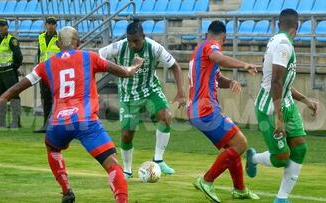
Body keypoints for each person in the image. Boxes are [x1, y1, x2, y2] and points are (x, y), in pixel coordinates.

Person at [0, 26, 145, 203]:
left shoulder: (46, 65)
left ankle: (67, 192)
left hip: (59, 123)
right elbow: (125, 73)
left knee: (52, 148)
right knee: (112, 163)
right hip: (85, 120)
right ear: (78, 43)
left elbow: (18, 87)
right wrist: (135, 66)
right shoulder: (89, 57)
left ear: (57, 44)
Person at [246, 9, 318, 203]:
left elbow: (283, 84)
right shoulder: (283, 45)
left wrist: (306, 101)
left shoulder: (277, 40)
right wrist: (279, 117)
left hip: (285, 102)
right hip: (270, 107)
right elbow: (276, 83)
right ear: (298, 26)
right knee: (281, 158)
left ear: (279, 24)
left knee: (300, 148)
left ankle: (281, 198)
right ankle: (253, 158)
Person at [99, 18, 187, 178]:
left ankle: (158, 160)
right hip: (128, 95)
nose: (133, 45)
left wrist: (181, 92)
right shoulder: (119, 48)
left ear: (143, 36)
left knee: (166, 116)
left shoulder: (154, 48)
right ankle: (127, 170)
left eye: (136, 41)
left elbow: (175, 66)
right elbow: (98, 57)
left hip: (150, 91)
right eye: (130, 41)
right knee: (127, 134)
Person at [187, 20, 260, 203]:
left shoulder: (199, 50)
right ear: (224, 38)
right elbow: (218, 58)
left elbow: (216, 76)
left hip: (197, 110)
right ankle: (207, 180)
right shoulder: (212, 46)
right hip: (205, 109)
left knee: (232, 147)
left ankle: (240, 190)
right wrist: (244, 65)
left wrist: (230, 82)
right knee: (241, 144)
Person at [0, 18, 23, 128]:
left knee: (14, 96)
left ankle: (16, 121)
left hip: (9, 72)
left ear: (7, 27)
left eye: (3, 25)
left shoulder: (12, 40)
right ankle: (0, 120)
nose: (1, 27)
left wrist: (14, 67)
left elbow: (19, 56)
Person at [34, 16, 60, 133]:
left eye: (53, 23)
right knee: (46, 99)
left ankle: (58, 125)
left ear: (56, 25)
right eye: (49, 23)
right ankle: (46, 124)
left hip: (56, 73)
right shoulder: (40, 37)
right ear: (46, 25)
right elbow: (40, 54)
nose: (51, 25)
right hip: (44, 72)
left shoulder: (60, 38)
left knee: (58, 99)